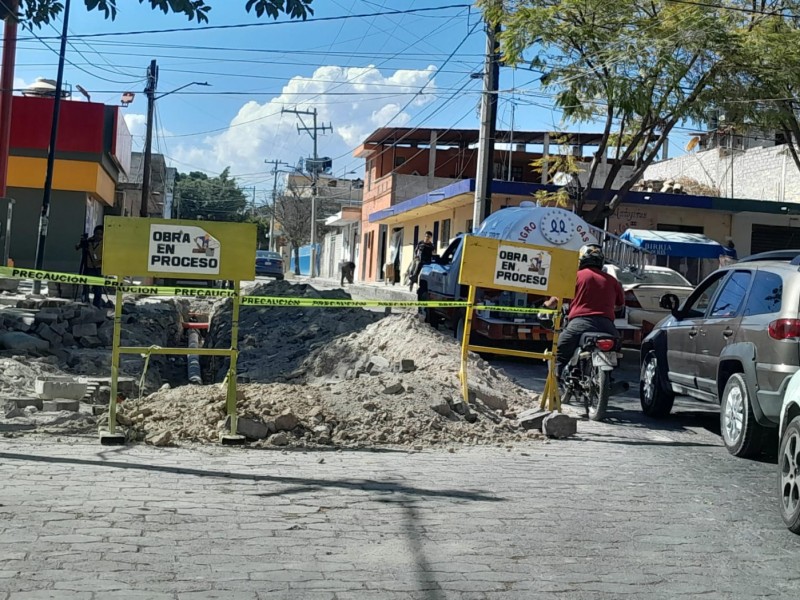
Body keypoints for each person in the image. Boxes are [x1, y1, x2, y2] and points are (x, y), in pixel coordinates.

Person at [544, 244, 624, 381]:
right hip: (607, 326)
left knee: (560, 350)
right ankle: (608, 378)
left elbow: (556, 300)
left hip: (580, 323)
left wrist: (545, 306)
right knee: (615, 351)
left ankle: (555, 381)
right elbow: (619, 305)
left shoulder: (575, 276)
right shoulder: (612, 281)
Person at [75, 225, 105, 308]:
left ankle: (97, 305)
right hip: (88, 267)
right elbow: (77, 247)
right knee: (86, 287)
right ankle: (85, 302)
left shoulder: (105, 244)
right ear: (94, 233)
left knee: (98, 289)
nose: (98, 236)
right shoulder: (89, 242)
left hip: (98, 268)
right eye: (97, 233)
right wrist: (82, 243)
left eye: (101, 234)